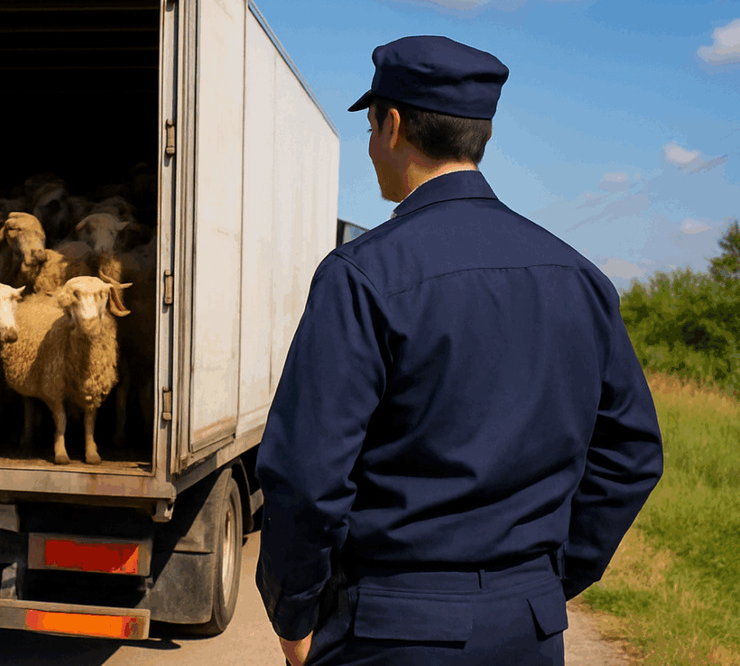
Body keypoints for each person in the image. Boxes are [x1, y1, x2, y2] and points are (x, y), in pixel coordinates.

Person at [255, 35, 663, 666]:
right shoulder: (580, 278)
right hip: (528, 633)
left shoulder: (362, 275)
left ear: (391, 125)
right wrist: (547, 580)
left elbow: (307, 476)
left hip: (390, 633)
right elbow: (631, 456)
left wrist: (294, 613)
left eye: (369, 126)